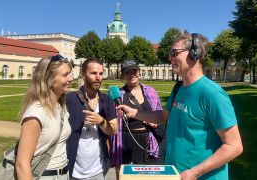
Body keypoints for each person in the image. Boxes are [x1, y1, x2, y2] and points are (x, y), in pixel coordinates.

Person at [117, 32, 243, 180]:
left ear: (194, 53)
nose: (170, 58)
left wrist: (196, 172)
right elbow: (162, 116)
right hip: (176, 174)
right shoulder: (179, 88)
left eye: (174, 53)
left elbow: (234, 146)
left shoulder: (212, 94)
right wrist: (134, 112)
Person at [15, 55, 73, 179]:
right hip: (43, 175)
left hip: (63, 173)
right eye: (65, 75)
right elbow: (21, 164)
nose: (71, 78)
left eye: (70, 74)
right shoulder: (37, 112)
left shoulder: (60, 106)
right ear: (49, 79)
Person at [66, 57, 118, 180]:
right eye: (93, 73)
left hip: (99, 170)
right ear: (83, 75)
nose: (98, 77)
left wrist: (101, 121)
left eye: (101, 73)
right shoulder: (70, 99)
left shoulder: (107, 100)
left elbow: (114, 130)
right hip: (73, 170)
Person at [110, 59, 165, 172]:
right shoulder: (118, 95)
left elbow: (160, 115)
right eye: (128, 72)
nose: (132, 74)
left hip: (146, 138)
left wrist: (154, 124)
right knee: (124, 174)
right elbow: (113, 120)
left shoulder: (151, 92)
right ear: (123, 75)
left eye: (134, 70)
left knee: (145, 174)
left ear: (139, 72)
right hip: (124, 139)